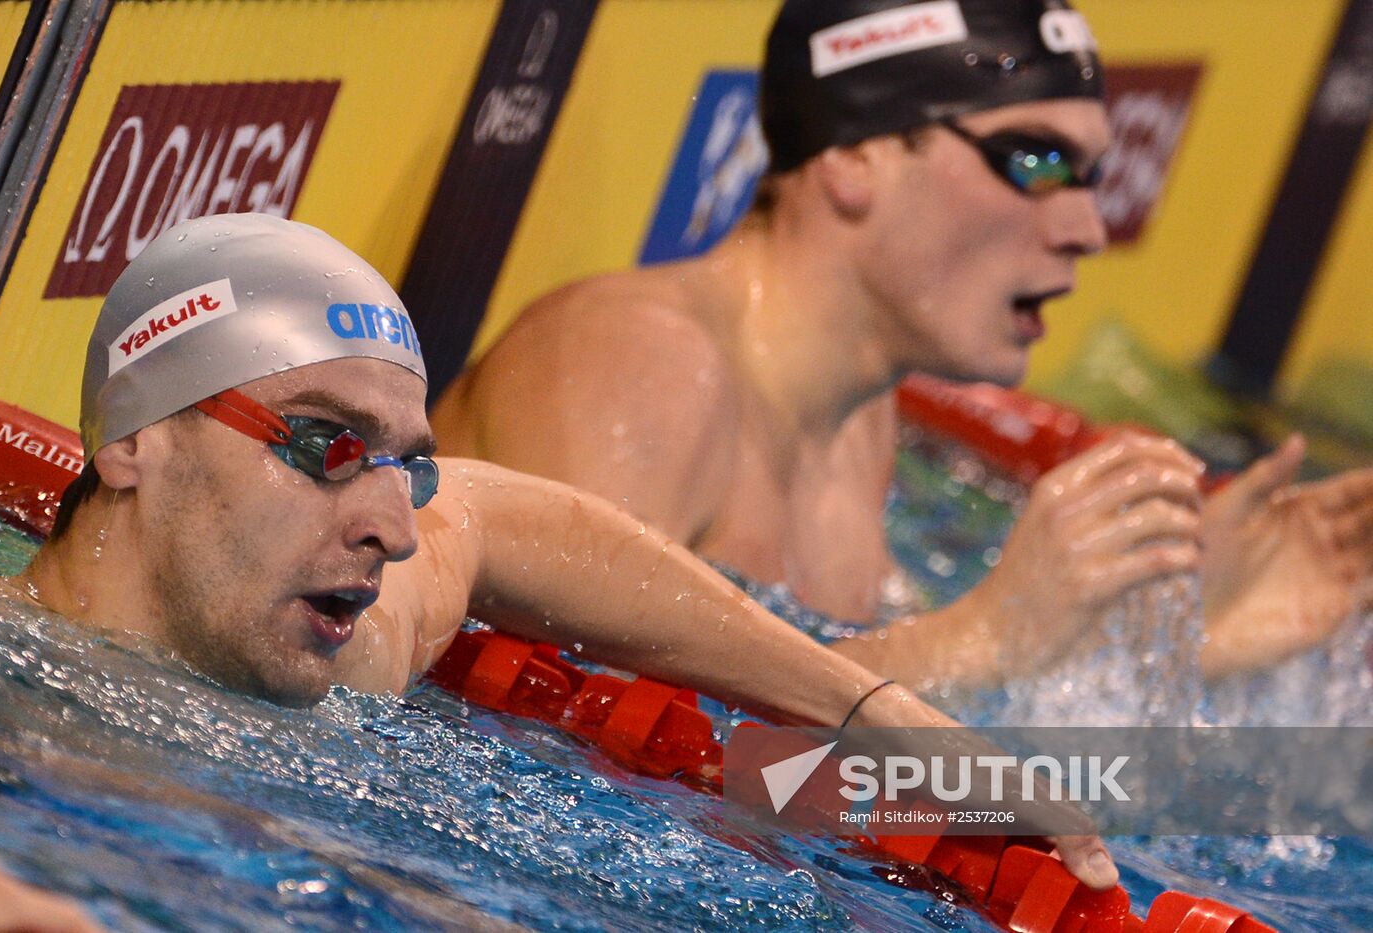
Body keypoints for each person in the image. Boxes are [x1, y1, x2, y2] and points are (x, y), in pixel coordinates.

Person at [0, 212, 1118, 919]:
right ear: (134, 439)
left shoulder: (343, 660)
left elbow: (494, 517)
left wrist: (870, 708)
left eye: (401, 467)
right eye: (325, 446)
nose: (393, 524)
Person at [434, 0, 1373, 689]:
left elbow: (807, 741)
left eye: (1093, 173)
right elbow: (562, 738)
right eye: (1035, 161)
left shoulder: (857, 419)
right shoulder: (637, 366)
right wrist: (991, 634)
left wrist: (1159, 646)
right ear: (855, 157)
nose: (1088, 225)